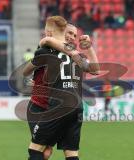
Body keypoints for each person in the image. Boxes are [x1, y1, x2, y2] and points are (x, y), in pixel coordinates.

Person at [23, 16, 99, 160]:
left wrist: (88, 47)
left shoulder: (74, 56)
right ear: (60, 32)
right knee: (50, 152)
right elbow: (47, 41)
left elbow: (95, 70)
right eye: (69, 33)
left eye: (75, 36)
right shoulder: (50, 49)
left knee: (43, 151)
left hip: (56, 105)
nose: (72, 37)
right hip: (40, 106)